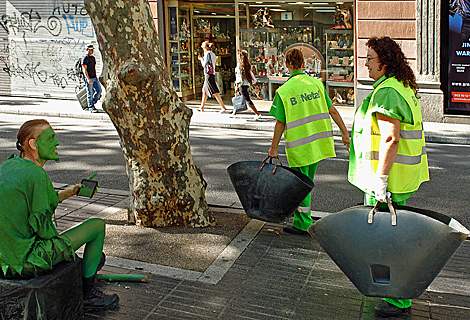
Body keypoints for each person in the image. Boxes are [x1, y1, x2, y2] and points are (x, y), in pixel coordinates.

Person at [347, 37, 429, 317]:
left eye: (369, 58)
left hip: (386, 181)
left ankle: (398, 300)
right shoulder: (398, 86)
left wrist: (380, 182)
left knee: (388, 242)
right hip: (399, 177)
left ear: (384, 62)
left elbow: (390, 139)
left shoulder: (387, 92)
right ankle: (396, 293)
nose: (365, 64)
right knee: (393, 239)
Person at [0, 119, 119, 311]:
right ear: (33, 144)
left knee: (92, 256)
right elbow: (46, 230)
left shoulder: (8, 166)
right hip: (23, 261)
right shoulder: (36, 175)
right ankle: (87, 295)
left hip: (4, 257)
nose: (57, 143)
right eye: (51, 138)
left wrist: (71, 192)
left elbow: (40, 203)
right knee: (96, 226)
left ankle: (85, 267)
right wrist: (66, 251)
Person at [268, 48, 350, 235]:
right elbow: (333, 111)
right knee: (306, 182)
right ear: (304, 64)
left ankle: (303, 223)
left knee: (300, 185)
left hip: (300, 146)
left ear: (286, 64)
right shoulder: (316, 84)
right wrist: (345, 133)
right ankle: (304, 218)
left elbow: (280, 123)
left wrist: (273, 148)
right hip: (318, 144)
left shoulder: (284, 91)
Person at [197, 41, 227, 113]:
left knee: (214, 91)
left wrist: (201, 59)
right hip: (211, 73)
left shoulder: (207, 54)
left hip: (208, 74)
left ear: (205, 48)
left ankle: (223, 107)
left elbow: (204, 65)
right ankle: (202, 107)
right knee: (204, 90)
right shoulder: (213, 54)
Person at [233, 50, 261, 119]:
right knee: (239, 97)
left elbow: (238, 76)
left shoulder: (239, 65)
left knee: (246, 99)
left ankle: (257, 113)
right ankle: (234, 112)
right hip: (246, 84)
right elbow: (250, 74)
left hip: (241, 84)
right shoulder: (247, 65)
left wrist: (236, 86)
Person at [82, 44, 102, 113]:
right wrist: (87, 78)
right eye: (90, 50)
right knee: (90, 93)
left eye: (92, 49)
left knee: (99, 91)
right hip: (89, 78)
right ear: (87, 50)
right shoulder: (85, 58)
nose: (92, 51)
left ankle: (92, 102)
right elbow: (84, 69)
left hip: (94, 77)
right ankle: (91, 107)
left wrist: (96, 76)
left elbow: (94, 67)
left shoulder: (93, 58)